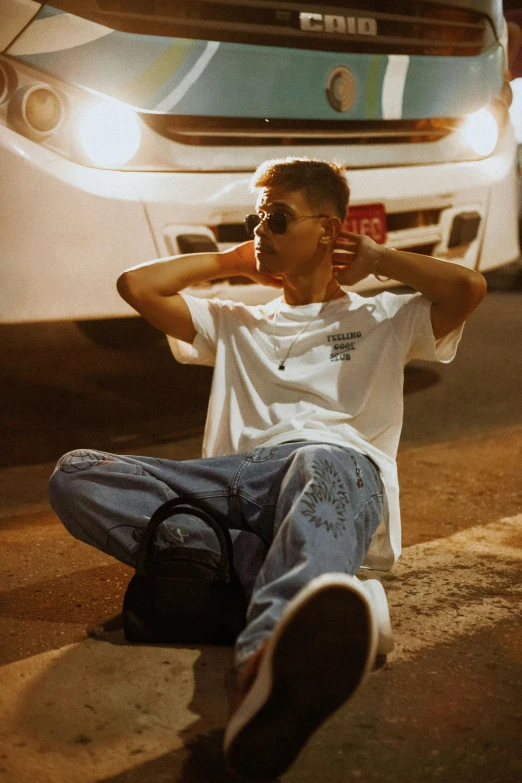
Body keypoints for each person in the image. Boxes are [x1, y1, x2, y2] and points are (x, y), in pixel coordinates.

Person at [49, 157, 486, 780]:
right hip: (232, 483)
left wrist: (378, 257)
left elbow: (466, 290)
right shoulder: (238, 321)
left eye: (276, 218)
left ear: (328, 229)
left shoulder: (382, 317)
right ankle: (298, 578)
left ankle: (262, 667)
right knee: (77, 472)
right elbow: (136, 287)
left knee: (315, 458)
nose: (261, 229)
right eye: (257, 217)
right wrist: (232, 262)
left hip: (334, 470)